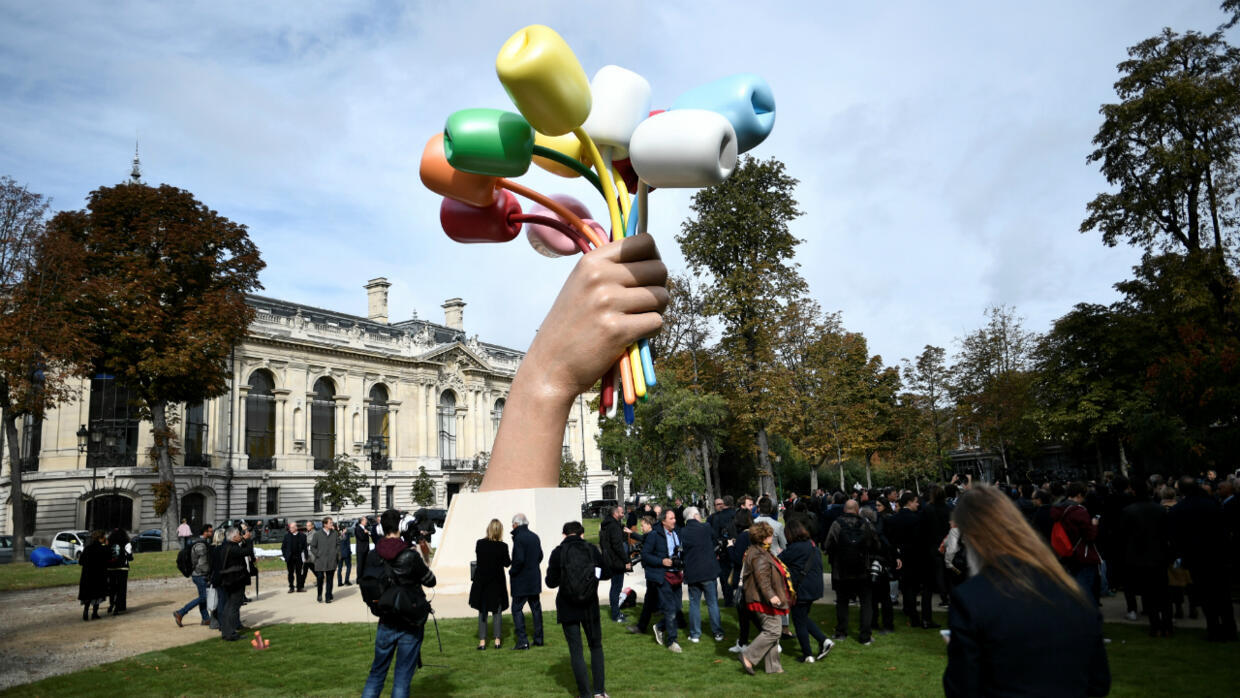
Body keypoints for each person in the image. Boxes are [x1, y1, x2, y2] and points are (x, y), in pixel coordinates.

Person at [943, 485, 1110, 696]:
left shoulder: (972, 599)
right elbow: (1098, 682)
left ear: (973, 536)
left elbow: (961, 688)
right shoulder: (1072, 589)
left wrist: (959, 650)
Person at [361, 508, 437, 698]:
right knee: (402, 679)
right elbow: (430, 580)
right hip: (409, 620)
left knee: (376, 673)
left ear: (381, 529)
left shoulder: (373, 554)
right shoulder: (409, 555)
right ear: (401, 527)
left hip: (386, 618)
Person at [546, 521, 607, 698]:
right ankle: (599, 691)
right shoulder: (591, 550)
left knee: (576, 650)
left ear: (564, 535)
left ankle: (585, 694)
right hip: (589, 604)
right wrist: (592, 578)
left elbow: (551, 582)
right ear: (582, 534)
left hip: (567, 605)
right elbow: (606, 573)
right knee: (595, 646)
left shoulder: (558, 552)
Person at [738, 520, 794, 675]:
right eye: (770, 534)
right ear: (763, 537)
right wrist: (771, 596)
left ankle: (774, 667)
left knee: (772, 631)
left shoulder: (760, 550)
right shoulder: (760, 555)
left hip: (761, 598)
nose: (772, 536)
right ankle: (748, 656)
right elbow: (762, 578)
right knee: (774, 631)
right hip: (763, 599)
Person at [825, 499, 878, 644]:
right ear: (857, 509)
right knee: (866, 603)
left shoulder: (836, 524)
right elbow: (875, 543)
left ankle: (841, 632)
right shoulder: (865, 524)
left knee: (842, 601)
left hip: (841, 570)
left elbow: (828, 544)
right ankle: (865, 635)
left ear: (844, 509)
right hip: (863, 569)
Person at [780, 521, 833, 663]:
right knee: (802, 618)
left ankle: (808, 654)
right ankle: (824, 641)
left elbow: (778, 562)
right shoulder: (812, 545)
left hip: (801, 589)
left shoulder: (793, 549)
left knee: (799, 622)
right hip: (814, 587)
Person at [1052, 482, 1103, 606]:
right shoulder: (1079, 511)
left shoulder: (1058, 510)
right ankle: (1088, 615)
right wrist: (1094, 525)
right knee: (1085, 589)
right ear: (1079, 495)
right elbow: (1089, 536)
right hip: (1082, 553)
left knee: (1075, 586)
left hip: (1067, 551)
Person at [642, 508, 684, 653]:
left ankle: (659, 627)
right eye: (671, 518)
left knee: (678, 608)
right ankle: (672, 641)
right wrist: (661, 561)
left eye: (674, 518)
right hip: (663, 576)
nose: (674, 521)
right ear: (663, 521)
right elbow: (645, 555)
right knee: (670, 609)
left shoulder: (676, 533)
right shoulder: (654, 535)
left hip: (677, 575)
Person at [681, 506, 724, 643]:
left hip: (692, 571)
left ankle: (695, 634)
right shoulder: (705, 527)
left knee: (694, 603)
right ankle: (717, 632)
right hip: (708, 570)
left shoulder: (683, 531)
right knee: (712, 603)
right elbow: (716, 540)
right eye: (699, 514)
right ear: (695, 516)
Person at [469, 518, 511, 650]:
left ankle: (482, 642)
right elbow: (507, 563)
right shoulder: (503, 546)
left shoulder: (480, 544)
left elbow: (480, 559)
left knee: (483, 612)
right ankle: (497, 640)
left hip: (482, 581)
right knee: (497, 612)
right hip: (496, 582)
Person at [509, 513, 544, 650]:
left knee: (516, 609)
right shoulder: (534, 536)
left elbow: (519, 560)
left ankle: (523, 640)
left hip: (521, 580)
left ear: (516, 524)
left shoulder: (519, 538)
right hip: (534, 577)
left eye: (513, 525)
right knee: (536, 608)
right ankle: (539, 638)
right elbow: (540, 555)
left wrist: (512, 571)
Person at [174, 524, 215, 627]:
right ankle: (181, 612)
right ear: (205, 532)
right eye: (210, 531)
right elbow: (202, 564)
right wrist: (208, 573)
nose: (212, 533)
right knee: (203, 597)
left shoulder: (198, 542)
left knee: (203, 597)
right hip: (200, 575)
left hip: (197, 574)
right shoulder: (201, 545)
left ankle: (205, 619)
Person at [214, 526, 251, 641]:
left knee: (228, 606)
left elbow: (242, 549)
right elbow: (248, 551)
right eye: (239, 535)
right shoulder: (232, 548)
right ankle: (231, 633)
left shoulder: (226, 546)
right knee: (233, 606)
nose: (241, 536)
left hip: (228, 581)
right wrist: (249, 540)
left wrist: (244, 540)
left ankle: (226, 632)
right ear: (234, 537)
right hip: (235, 581)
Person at [727, 509, 755, 653]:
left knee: (745, 613)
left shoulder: (744, 536)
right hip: (752, 576)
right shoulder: (754, 533)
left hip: (743, 577)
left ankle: (744, 642)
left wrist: (730, 547)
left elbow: (738, 559)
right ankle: (743, 642)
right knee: (747, 613)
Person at [598, 505, 631, 623]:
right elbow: (617, 545)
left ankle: (616, 612)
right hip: (616, 561)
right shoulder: (613, 526)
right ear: (615, 513)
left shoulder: (606, 525)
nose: (623, 514)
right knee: (616, 588)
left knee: (615, 587)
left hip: (610, 560)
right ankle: (615, 615)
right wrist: (626, 560)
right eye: (622, 513)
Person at [708, 496, 738, 606]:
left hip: (726, 549)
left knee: (728, 574)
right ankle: (729, 598)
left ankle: (730, 598)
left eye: (721, 504)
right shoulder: (714, 518)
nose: (720, 506)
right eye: (717, 504)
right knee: (727, 575)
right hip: (727, 549)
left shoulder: (722, 516)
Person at [78, 530, 109, 621]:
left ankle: (86, 611)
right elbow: (108, 560)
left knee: (88, 594)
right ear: (101, 538)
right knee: (97, 595)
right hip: (99, 575)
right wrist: (107, 546)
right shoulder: (102, 549)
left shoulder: (87, 548)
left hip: (87, 575)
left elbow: (81, 562)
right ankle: (94, 613)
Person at [310, 517, 340, 603]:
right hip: (320, 561)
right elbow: (312, 547)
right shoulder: (317, 534)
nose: (332, 524)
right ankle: (319, 594)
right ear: (325, 524)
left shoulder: (334, 533)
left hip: (331, 560)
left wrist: (336, 553)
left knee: (330, 579)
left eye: (332, 522)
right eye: (330, 523)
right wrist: (318, 554)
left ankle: (328, 596)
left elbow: (338, 544)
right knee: (320, 578)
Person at [105, 528, 133, 615]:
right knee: (121, 588)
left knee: (112, 587)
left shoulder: (109, 543)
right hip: (122, 568)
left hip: (111, 568)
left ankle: (111, 604)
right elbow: (129, 557)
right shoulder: (126, 543)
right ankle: (119, 606)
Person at [281, 521, 306, 593]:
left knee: (299, 573)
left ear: (296, 528)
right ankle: (291, 587)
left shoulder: (302, 536)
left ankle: (299, 587)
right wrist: (285, 556)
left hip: (298, 557)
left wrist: (305, 557)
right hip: (290, 557)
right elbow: (283, 547)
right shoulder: (287, 536)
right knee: (290, 573)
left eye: (292, 527)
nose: (290, 529)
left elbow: (305, 547)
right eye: (290, 528)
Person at [338, 523, 353, 587]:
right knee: (349, 566)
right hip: (346, 553)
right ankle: (346, 580)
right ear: (344, 529)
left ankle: (339, 582)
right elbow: (348, 545)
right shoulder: (346, 535)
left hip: (339, 554)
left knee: (340, 568)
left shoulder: (337, 535)